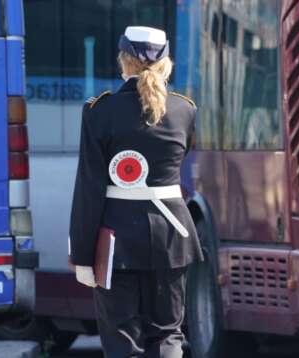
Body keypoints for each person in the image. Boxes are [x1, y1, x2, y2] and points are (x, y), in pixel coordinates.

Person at [69, 26, 203, 358]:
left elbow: (89, 188)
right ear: (166, 62)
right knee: (168, 333)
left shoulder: (99, 111)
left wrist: (83, 256)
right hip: (172, 237)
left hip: (116, 244)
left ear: (123, 60)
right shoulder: (185, 111)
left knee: (121, 340)